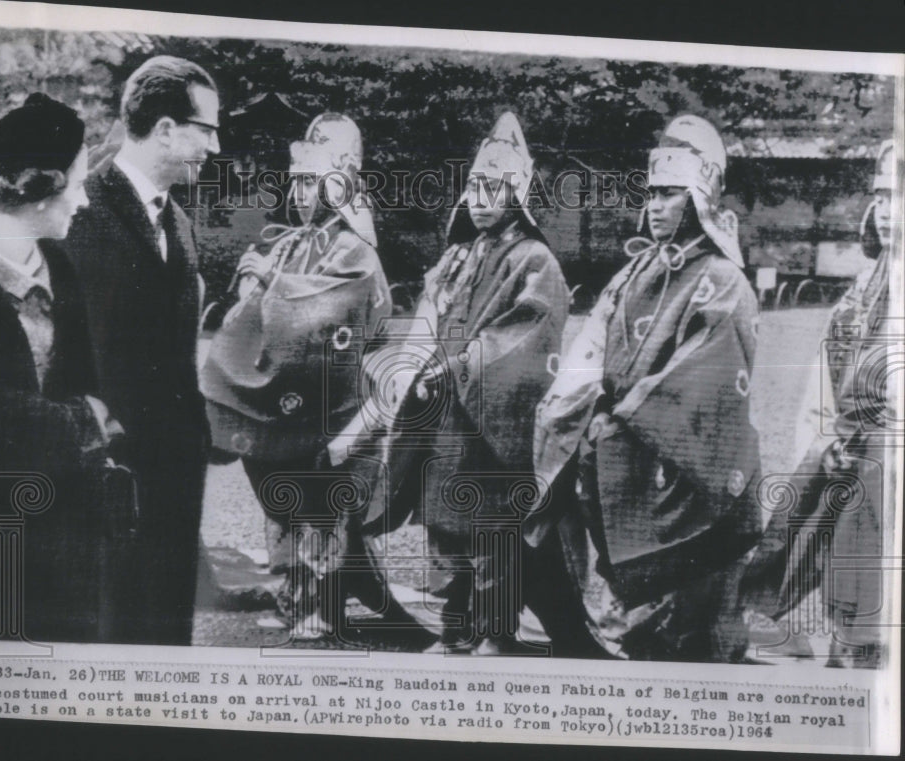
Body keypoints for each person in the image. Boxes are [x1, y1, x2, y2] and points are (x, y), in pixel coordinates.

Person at [529, 115, 762, 662]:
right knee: (540, 528)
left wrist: (624, 417)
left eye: (670, 195)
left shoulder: (724, 280)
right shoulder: (634, 271)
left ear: (700, 197)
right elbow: (591, 346)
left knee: (687, 622)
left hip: (677, 459)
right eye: (652, 193)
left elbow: (703, 375)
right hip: (611, 442)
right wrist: (566, 411)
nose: (655, 205)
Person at [339, 112, 569, 654]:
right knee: (445, 531)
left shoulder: (536, 261)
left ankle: (494, 634)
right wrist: (413, 367)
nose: (482, 197)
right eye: (475, 186)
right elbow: (427, 320)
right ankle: (455, 631)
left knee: (491, 530)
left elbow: (526, 336)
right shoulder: (457, 256)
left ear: (517, 195)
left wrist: (458, 367)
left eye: (495, 187)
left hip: (491, 425)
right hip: (442, 419)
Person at [201, 113, 408, 641]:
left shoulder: (356, 248)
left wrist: (269, 280)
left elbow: (325, 309)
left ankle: (321, 606)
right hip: (291, 397)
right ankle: (292, 595)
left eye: (311, 180)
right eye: (294, 179)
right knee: (282, 496)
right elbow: (253, 312)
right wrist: (255, 282)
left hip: (335, 401)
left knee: (321, 508)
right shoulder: (295, 242)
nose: (298, 192)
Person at [0, 93, 123, 643]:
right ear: (43, 190)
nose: (85, 200)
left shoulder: (62, 268)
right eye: (79, 181)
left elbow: (94, 393)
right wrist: (77, 424)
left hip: (67, 550)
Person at [61, 56, 220, 645]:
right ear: (166, 130)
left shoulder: (177, 221)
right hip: (112, 472)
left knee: (167, 630)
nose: (214, 144)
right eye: (206, 128)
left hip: (177, 469)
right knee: (113, 629)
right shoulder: (81, 210)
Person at [742, 139, 898, 668]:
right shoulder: (863, 286)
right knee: (810, 539)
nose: (886, 211)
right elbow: (829, 367)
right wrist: (829, 430)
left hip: (890, 455)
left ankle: (863, 655)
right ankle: (827, 644)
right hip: (850, 442)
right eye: (880, 197)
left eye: (899, 197)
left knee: (873, 565)